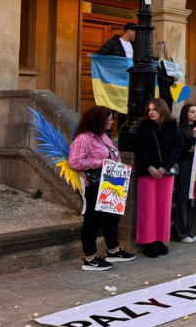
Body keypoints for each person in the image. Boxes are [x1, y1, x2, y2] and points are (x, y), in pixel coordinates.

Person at [68, 106, 136, 270]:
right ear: (98, 119)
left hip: (112, 182)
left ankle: (113, 250)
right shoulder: (83, 139)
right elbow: (74, 162)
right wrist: (102, 163)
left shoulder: (103, 136)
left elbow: (113, 155)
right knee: (93, 220)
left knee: (112, 218)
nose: (112, 121)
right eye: (109, 118)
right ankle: (90, 258)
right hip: (93, 185)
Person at [133, 98, 182, 258]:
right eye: (149, 109)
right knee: (147, 207)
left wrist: (164, 167)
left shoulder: (172, 126)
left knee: (164, 206)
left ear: (162, 110)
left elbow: (177, 147)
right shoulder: (143, 127)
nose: (151, 112)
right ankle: (148, 241)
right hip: (147, 170)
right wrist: (150, 166)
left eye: (154, 109)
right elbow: (138, 148)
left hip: (165, 171)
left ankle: (160, 238)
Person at [96, 23, 136, 127]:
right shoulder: (113, 42)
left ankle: (121, 133)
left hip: (128, 82)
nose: (137, 35)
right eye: (136, 32)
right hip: (114, 82)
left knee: (125, 108)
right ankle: (106, 132)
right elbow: (101, 54)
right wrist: (94, 57)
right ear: (129, 31)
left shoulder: (134, 45)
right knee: (111, 107)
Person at [174, 103, 196, 244]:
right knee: (183, 198)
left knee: (195, 198)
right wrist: (193, 137)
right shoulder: (180, 129)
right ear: (185, 113)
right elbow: (182, 149)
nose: (195, 114)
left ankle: (191, 229)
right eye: (192, 111)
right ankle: (181, 232)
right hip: (185, 164)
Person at [155, 41, 178, 111]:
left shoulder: (170, 60)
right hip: (159, 89)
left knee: (168, 111)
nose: (169, 49)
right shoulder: (155, 61)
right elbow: (157, 75)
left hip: (168, 90)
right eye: (167, 47)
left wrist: (175, 77)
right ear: (162, 49)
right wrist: (171, 82)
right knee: (160, 111)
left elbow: (171, 73)